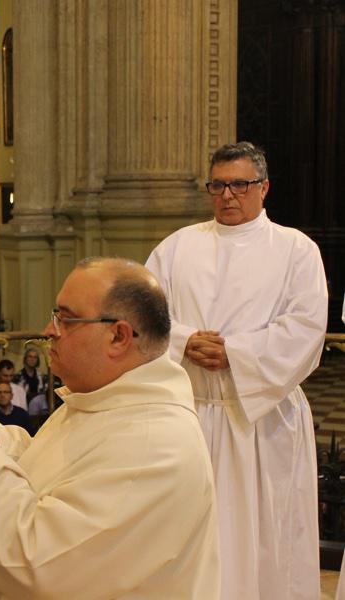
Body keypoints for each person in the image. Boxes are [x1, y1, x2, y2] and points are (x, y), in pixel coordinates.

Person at [0, 257, 220, 600]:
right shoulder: (109, 401)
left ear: (118, 336)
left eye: (66, 319)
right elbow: (45, 470)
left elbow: (39, 564)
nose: (50, 331)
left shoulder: (156, 446)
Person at [146, 141, 327, 600]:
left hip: (262, 422)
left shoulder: (295, 250)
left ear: (264, 188)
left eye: (240, 185)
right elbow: (144, 317)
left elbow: (306, 329)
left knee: (266, 539)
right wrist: (186, 341)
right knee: (190, 534)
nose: (228, 195)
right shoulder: (176, 247)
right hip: (190, 414)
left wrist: (237, 353)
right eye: (218, 185)